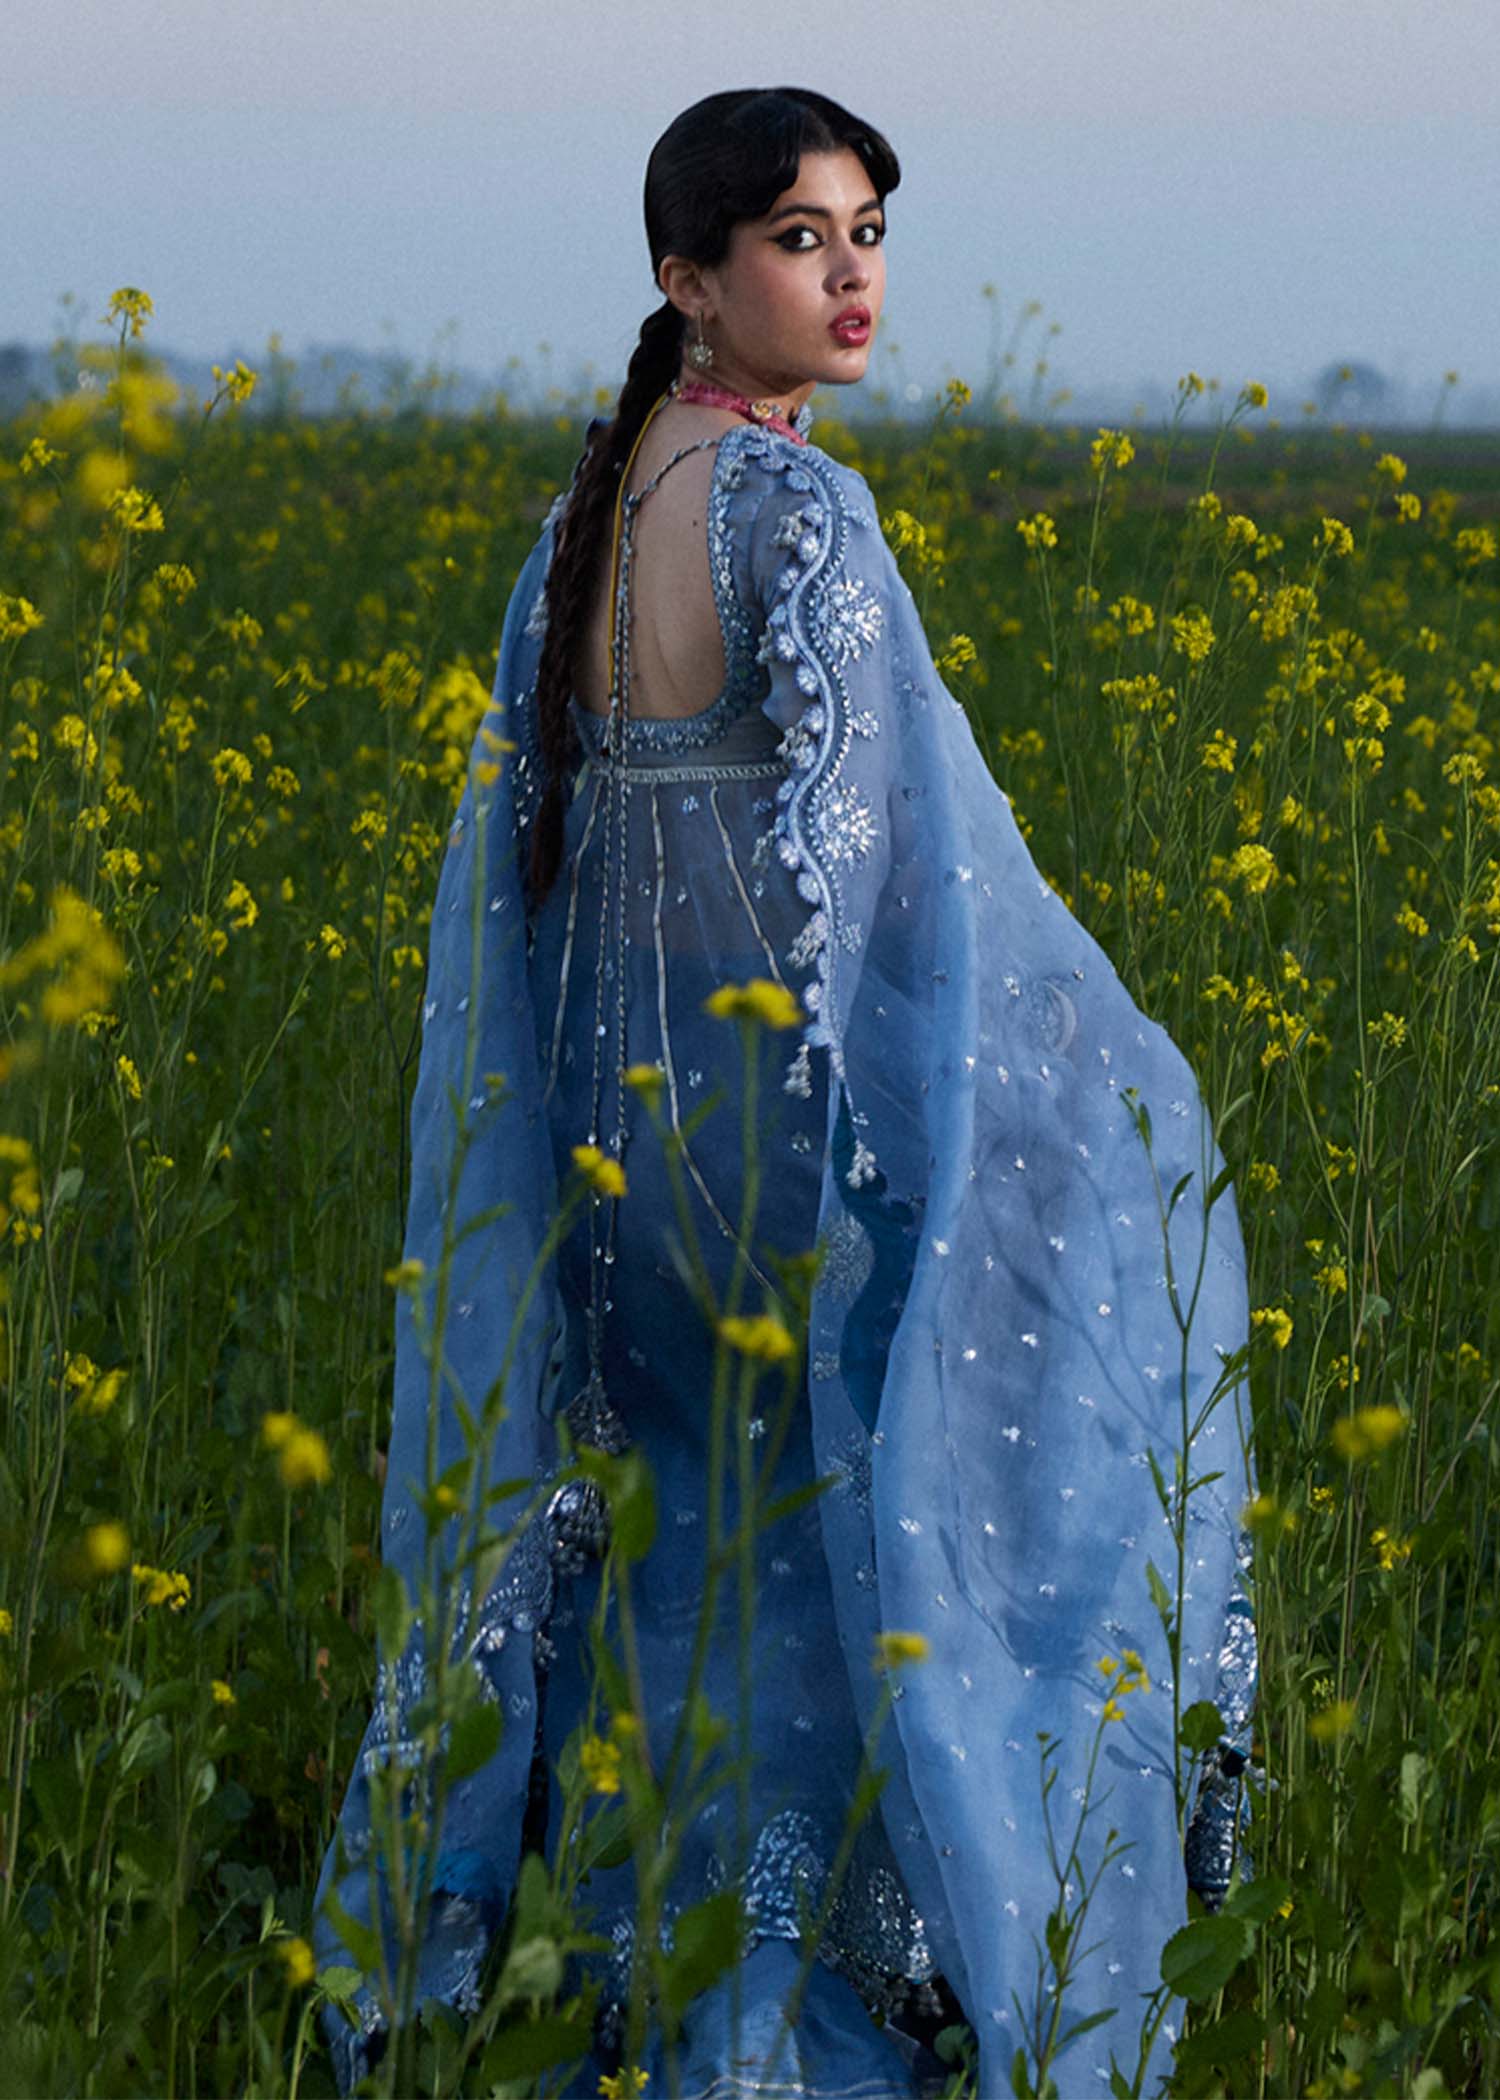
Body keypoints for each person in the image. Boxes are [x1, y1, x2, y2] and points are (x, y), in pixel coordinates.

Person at [313, 86, 1257, 2100]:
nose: (849, 277)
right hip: (767, 1154)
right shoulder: (791, 512)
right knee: (844, 1524)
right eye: (797, 239)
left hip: (612, 1149)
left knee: (677, 1534)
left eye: (868, 231)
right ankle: (785, 2034)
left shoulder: (590, 521)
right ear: (685, 277)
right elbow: (912, 895)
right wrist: (1118, 1086)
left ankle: (630, 1974)